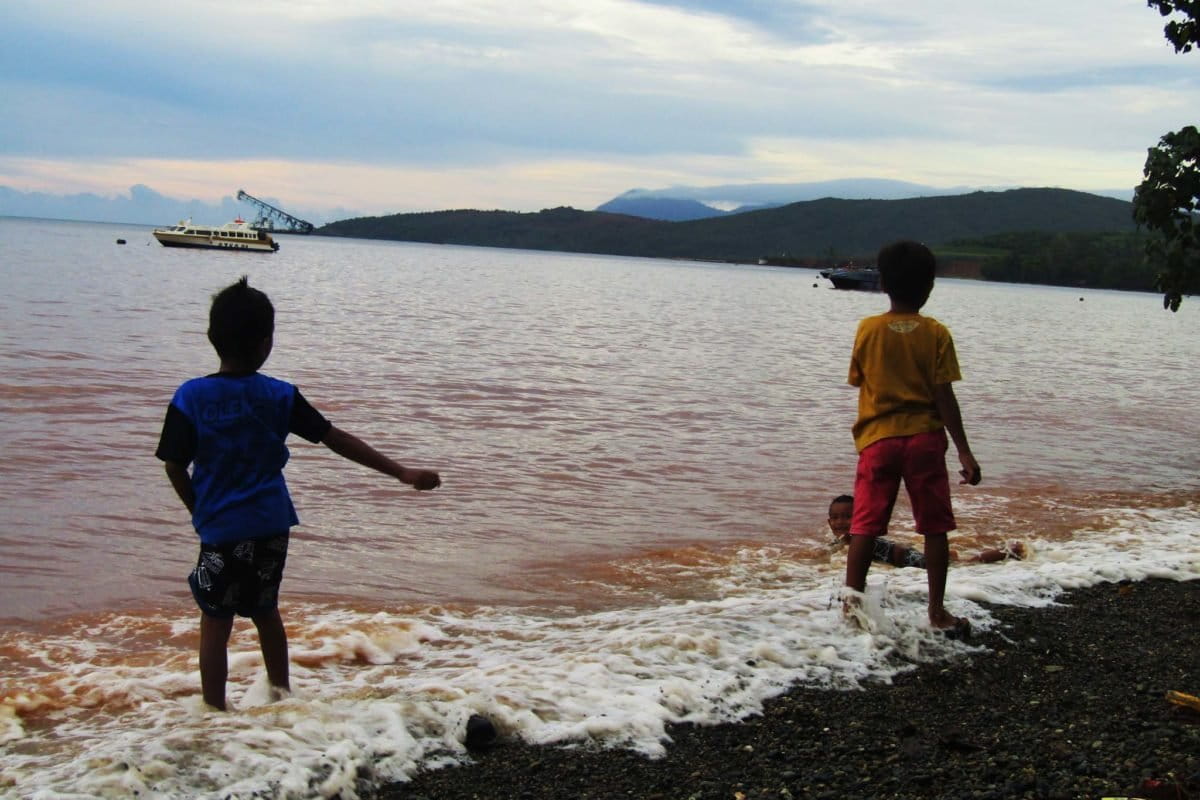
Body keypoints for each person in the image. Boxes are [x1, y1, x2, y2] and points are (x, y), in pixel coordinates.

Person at [156, 276, 441, 711]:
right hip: (271, 523)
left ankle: (213, 714)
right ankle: (282, 699)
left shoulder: (191, 396)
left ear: (212, 337)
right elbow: (335, 438)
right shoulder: (279, 395)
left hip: (220, 529)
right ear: (267, 342)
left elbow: (174, 463)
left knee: (216, 622)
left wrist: (199, 510)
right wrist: (401, 472)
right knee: (266, 612)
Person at [842, 240, 980, 635]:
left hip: (878, 440)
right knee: (934, 527)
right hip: (924, 440)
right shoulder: (936, 333)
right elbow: (944, 395)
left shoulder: (867, 329)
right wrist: (965, 452)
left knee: (864, 526)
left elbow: (859, 380)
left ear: (882, 283)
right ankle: (936, 612)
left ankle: (852, 610)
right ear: (930, 286)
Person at [827, 495, 1023, 567]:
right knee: (955, 562)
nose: (840, 522)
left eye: (846, 516)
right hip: (903, 557)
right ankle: (1006, 551)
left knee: (964, 563)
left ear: (860, 518)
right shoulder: (844, 541)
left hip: (908, 559)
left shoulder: (859, 537)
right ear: (829, 522)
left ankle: (1008, 552)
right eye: (835, 518)